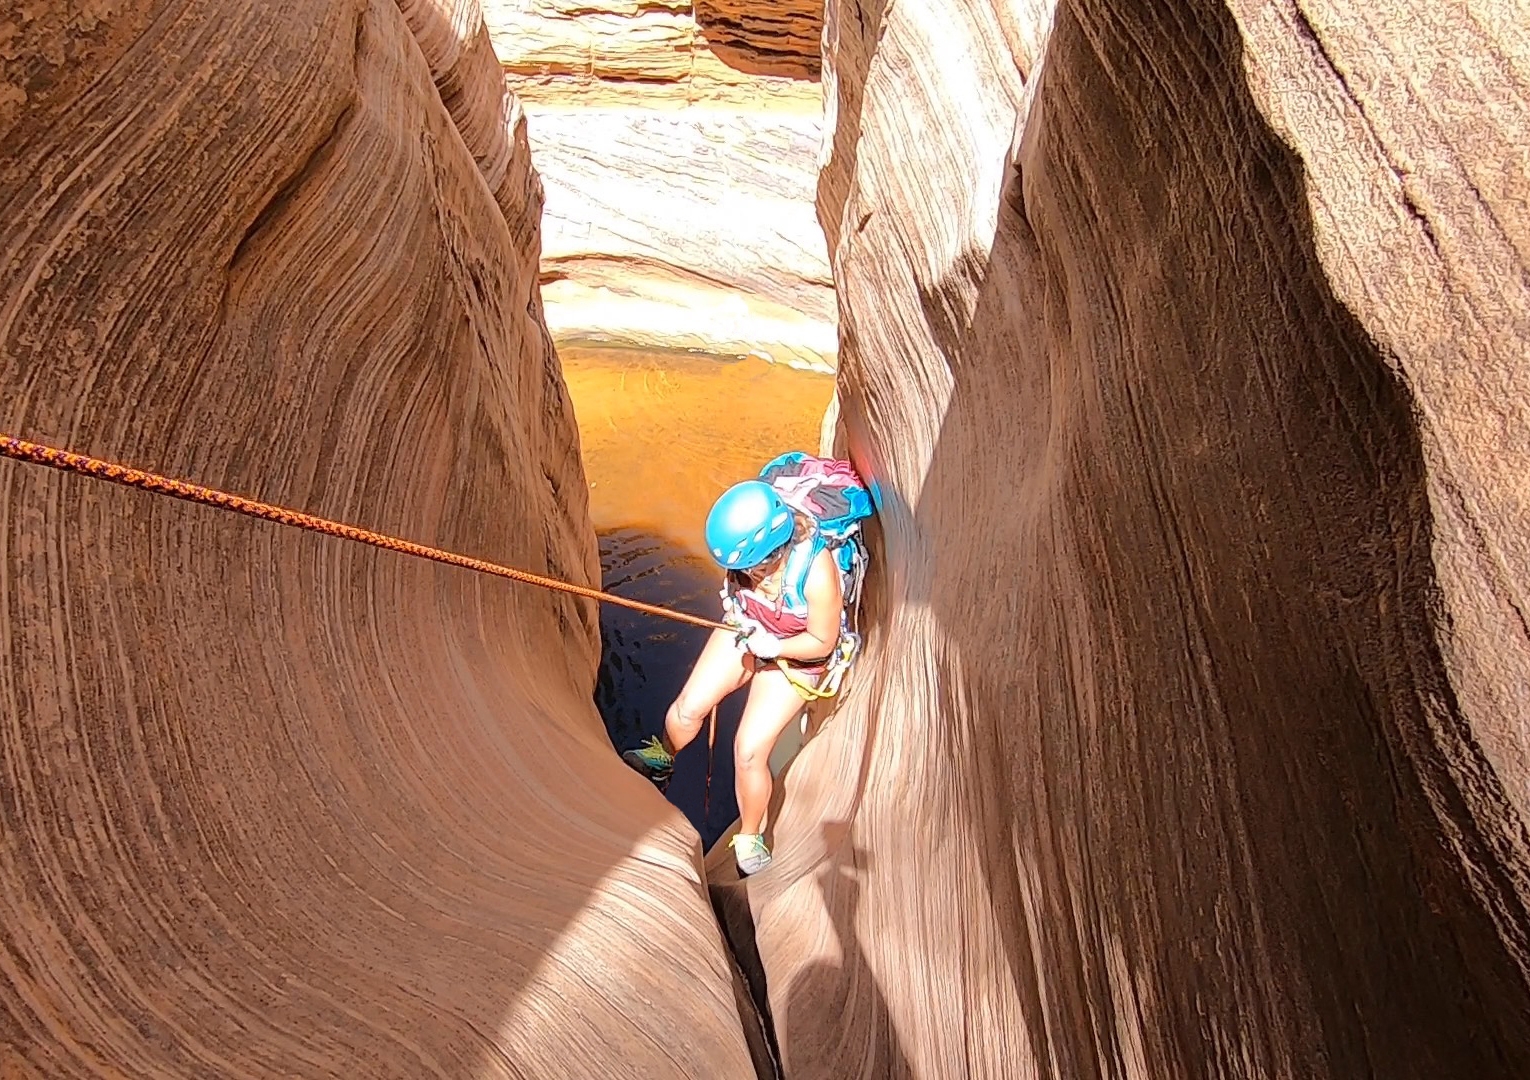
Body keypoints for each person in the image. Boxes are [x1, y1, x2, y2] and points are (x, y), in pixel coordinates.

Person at [623, 478, 846, 875]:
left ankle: (751, 833)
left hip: (797, 653)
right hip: (750, 629)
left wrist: (774, 648)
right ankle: (664, 757)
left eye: (747, 567)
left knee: (748, 751)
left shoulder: (815, 571)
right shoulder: (746, 562)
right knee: (686, 711)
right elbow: (740, 599)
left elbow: (822, 641)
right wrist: (750, 629)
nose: (740, 573)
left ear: (770, 553)